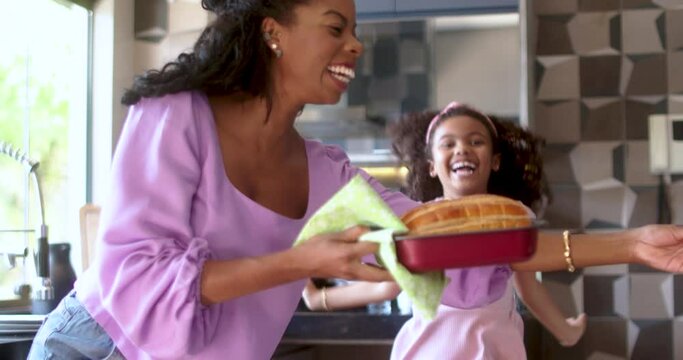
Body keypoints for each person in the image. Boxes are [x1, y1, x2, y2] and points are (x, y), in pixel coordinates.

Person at [26, 0, 683, 359]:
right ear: (272, 32)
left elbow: (478, 241)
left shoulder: (326, 173)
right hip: (101, 346)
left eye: (356, 30)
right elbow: (137, 280)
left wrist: (629, 245)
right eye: (336, 27)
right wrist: (300, 261)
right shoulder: (175, 117)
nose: (355, 45)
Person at [300, 102, 673, 359]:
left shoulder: (512, 219)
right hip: (430, 350)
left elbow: (528, 283)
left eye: (475, 141)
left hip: (495, 349)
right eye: (449, 144)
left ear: (494, 161)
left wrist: (563, 328)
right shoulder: (417, 222)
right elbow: (390, 283)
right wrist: (322, 300)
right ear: (432, 166)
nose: (463, 149)